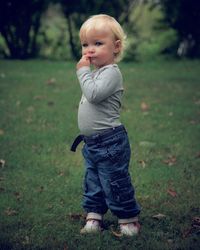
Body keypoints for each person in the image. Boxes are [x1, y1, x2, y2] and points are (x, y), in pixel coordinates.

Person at [71, 14, 141, 236]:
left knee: (115, 181)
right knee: (93, 180)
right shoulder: (98, 72)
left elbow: (92, 94)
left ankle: (128, 219)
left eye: (98, 43)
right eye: (85, 45)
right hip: (92, 143)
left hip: (110, 142)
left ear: (116, 47)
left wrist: (82, 71)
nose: (89, 50)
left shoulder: (111, 73)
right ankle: (94, 215)